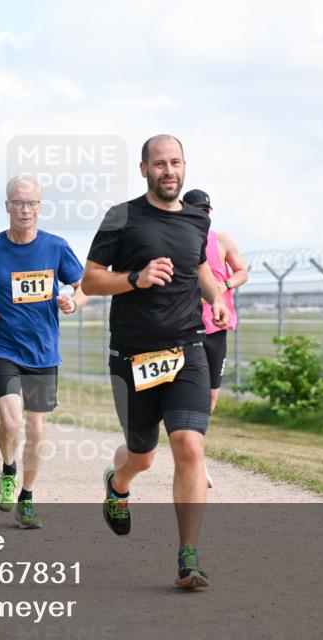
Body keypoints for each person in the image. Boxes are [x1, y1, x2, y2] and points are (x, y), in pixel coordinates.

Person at [82, 134, 229, 589]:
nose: (170, 171)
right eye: (160, 164)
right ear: (143, 169)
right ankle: (118, 484)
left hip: (187, 350)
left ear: (186, 167)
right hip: (133, 356)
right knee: (142, 457)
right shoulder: (121, 217)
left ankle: (189, 556)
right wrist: (136, 278)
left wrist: (217, 298)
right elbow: (90, 281)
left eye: (176, 163)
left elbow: (198, 269)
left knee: (189, 446)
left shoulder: (195, 220)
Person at [0, 175, 86, 529]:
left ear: (40, 207)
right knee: (11, 422)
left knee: (35, 432)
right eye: (18, 202)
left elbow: (83, 285)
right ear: (7, 206)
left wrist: (73, 302)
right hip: (3, 346)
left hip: (43, 351)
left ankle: (27, 497)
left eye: (32, 203)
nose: (25, 209)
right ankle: (8, 470)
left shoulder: (56, 246)